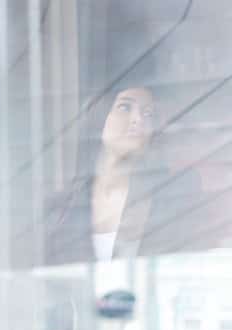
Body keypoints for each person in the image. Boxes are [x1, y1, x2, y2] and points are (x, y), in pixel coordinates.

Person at [45, 85, 204, 266]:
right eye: (124, 107)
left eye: (147, 113)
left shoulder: (177, 192)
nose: (137, 119)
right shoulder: (63, 207)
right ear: (101, 117)